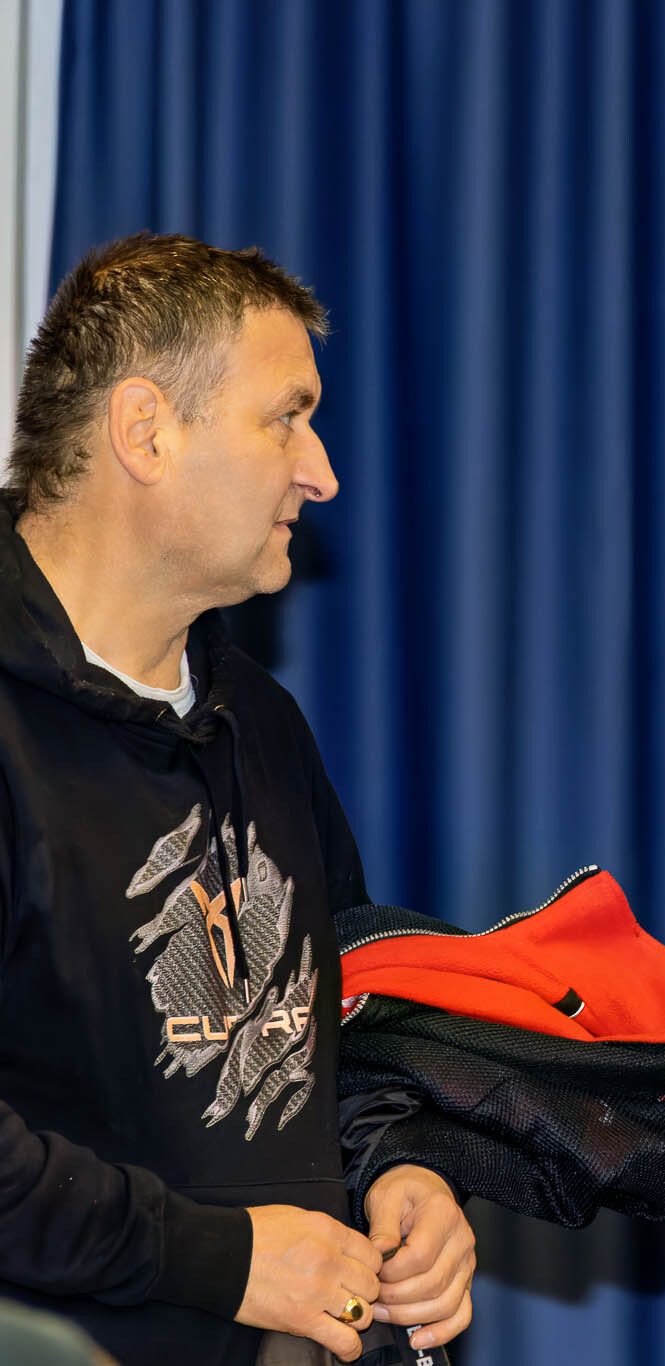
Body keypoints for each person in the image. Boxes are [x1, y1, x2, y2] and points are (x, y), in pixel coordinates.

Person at [0, 235, 477, 1364]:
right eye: (285, 419)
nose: (322, 472)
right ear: (145, 432)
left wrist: (402, 1167)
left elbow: (349, 1009)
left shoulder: (261, 721)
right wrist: (224, 1260)